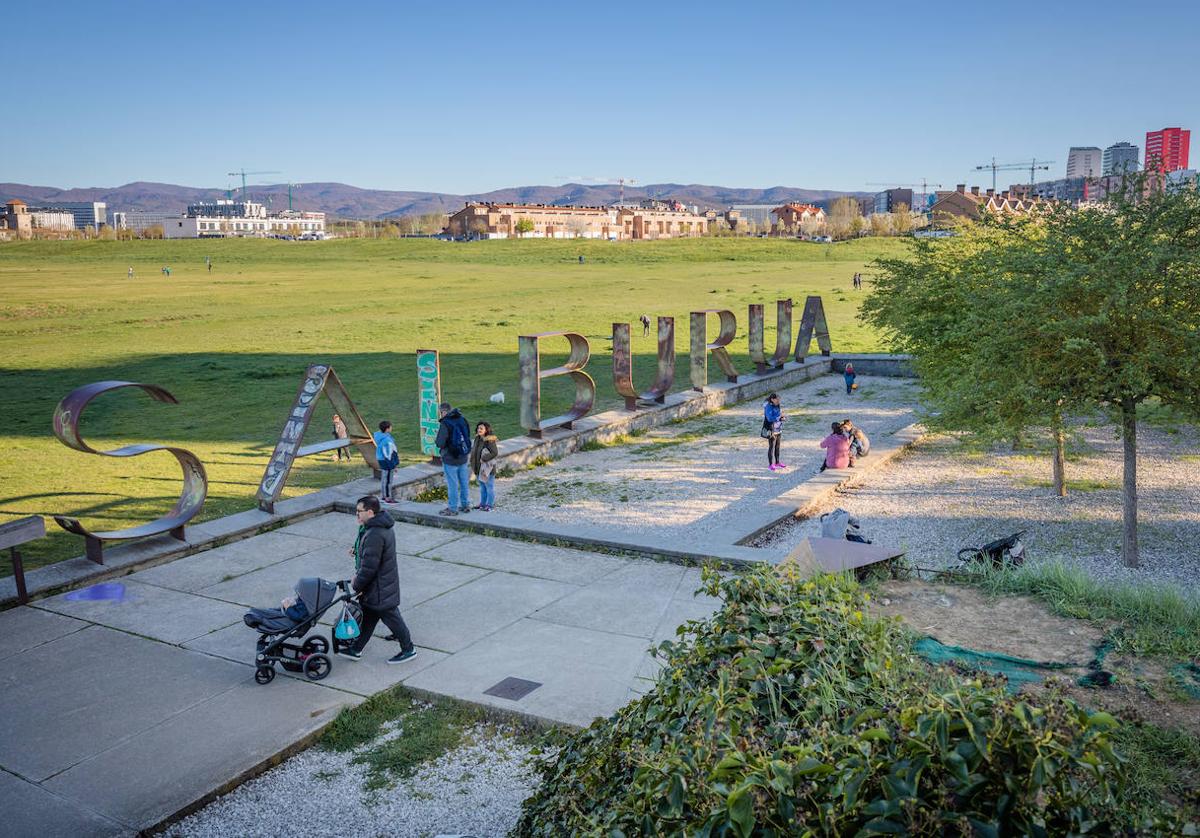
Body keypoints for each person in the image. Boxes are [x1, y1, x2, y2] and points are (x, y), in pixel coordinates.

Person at [338, 495, 416, 664]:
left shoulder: (375, 534)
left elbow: (369, 568)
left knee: (392, 618)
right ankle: (356, 649)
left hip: (380, 588)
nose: (357, 514)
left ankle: (408, 649)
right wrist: (357, 550)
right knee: (369, 617)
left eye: (359, 511)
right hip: (379, 587)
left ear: (370, 512)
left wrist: (356, 583)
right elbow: (370, 555)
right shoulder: (377, 527)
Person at [435, 402, 472, 516]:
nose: (440, 415)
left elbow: (440, 443)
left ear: (444, 411)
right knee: (464, 482)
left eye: (440, 412)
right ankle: (465, 505)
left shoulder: (445, 423)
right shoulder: (462, 419)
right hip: (463, 456)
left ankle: (452, 508)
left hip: (450, 458)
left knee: (453, 484)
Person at [470, 421, 499, 510]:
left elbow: (495, 452)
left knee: (489, 486)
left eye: (481, 428)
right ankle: (482, 504)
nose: (479, 430)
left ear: (486, 430)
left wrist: (484, 459)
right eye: (478, 428)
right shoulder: (477, 439)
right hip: (479, 468)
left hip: (488, 469)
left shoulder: (489, 440)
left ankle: (489, 505)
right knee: (482, 487)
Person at [373, 420, 399, 503]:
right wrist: (393, 466)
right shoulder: (387, 440)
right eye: (390, 427)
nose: (392, 428)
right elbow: (388, 455)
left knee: (384, 478)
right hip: (387, 462)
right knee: (388, 480)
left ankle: (384, 496)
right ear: (387, 429)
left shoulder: (380, 436)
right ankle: (387, 497)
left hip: (381, 460)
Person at [762, 392, 785, 471]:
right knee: (771, 447)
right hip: (771, 429)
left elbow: (778, 414)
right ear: (772, 399)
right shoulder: (768, 406)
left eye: (779, 400)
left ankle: (777, 462)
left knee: (777, 446)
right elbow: (769, 418)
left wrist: (782, 417)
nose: (778, 401)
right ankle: (770, 464)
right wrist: (778, 418)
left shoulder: (777, 405)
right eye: (777, 400)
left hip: (778, 428)